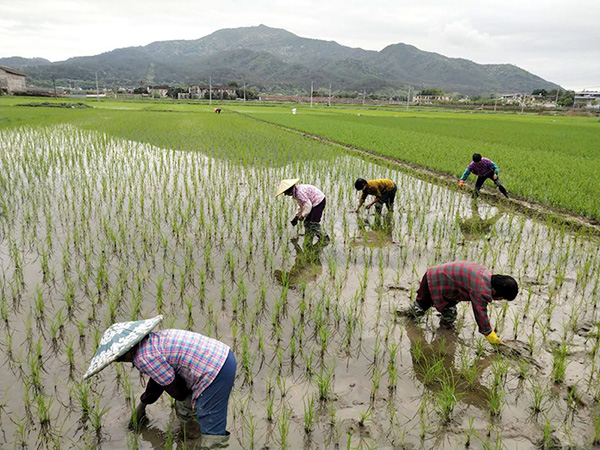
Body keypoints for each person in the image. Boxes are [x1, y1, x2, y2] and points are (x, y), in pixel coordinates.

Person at [83, 316, 236, 447]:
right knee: (187, 406)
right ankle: (192, 434)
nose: (122, 361)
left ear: (128, 351)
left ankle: (209, 443)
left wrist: (189, 401)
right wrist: (143, 404)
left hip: (215, 372)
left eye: (120, 358)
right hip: (223, 355)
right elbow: (159, 380)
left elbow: (178, 391)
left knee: (210, 424)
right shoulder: (153, 340)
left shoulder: (144, 357)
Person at [400, 261, 518, 345]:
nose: (499, 300)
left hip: (448, 287)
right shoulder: (480, 289)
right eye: (501, 298)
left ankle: (445, 336)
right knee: (420, 308)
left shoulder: (486, 275)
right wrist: (491, 336)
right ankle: (406, 323)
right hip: (433, 279)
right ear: (495, 291)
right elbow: (480, 314)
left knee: (450, 313)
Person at [275, 178, 329, 244]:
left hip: (319, 202)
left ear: (289, 190)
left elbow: (308, 206)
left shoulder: (299, 193)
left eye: (285, 193)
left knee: (314, 223)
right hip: (313, 202)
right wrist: (297, 215)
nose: (285, 195)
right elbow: (301, 204)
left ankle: (325, 238)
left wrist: (302, 215)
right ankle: (309, 236)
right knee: (307, 222)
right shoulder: (296, 191)